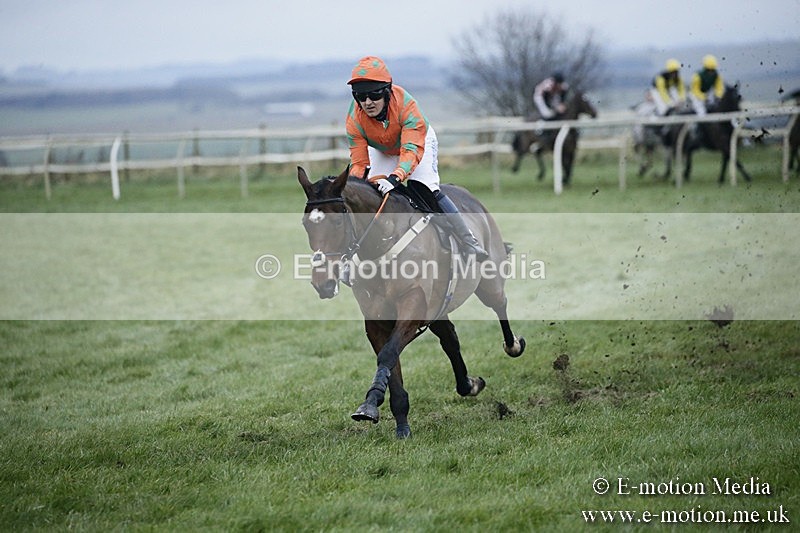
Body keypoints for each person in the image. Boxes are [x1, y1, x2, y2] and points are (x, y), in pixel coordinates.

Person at [345, 55, 488, 261]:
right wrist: (352, 188)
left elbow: (410, 151)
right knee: (370, 193)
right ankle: (356, 257)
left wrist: (395, 178)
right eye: (360, 96)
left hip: (416, 142)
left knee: (426, 188)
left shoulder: (407, 106)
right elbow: (359, 164)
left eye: (374, 95)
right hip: (382, 148)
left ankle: (468, 241)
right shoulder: (354, 118)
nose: (367, 102)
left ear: (387, 92)